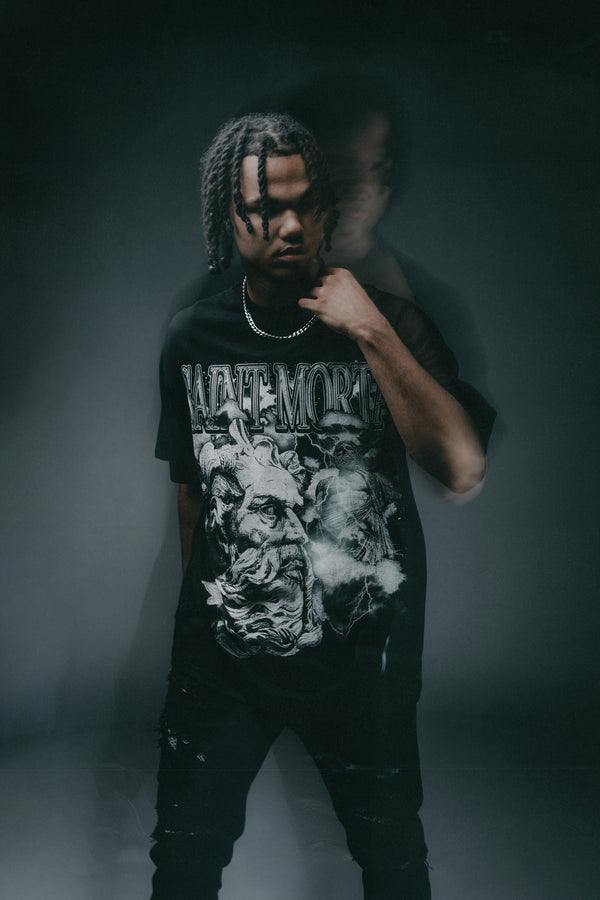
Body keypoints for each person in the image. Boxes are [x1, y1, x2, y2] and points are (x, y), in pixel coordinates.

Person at [151, 112, 495, 900]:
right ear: (228, 217)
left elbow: (463, 467)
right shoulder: (191, 337)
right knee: (183, 860)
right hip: (223, 661)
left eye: (305, 204)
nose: (288, 226)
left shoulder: (392, 322)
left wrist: (368, 327)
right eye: (264, 208)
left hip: (359, 663)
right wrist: (201, 628)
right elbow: (194, 493)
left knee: (392, 861)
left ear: (329, 208)